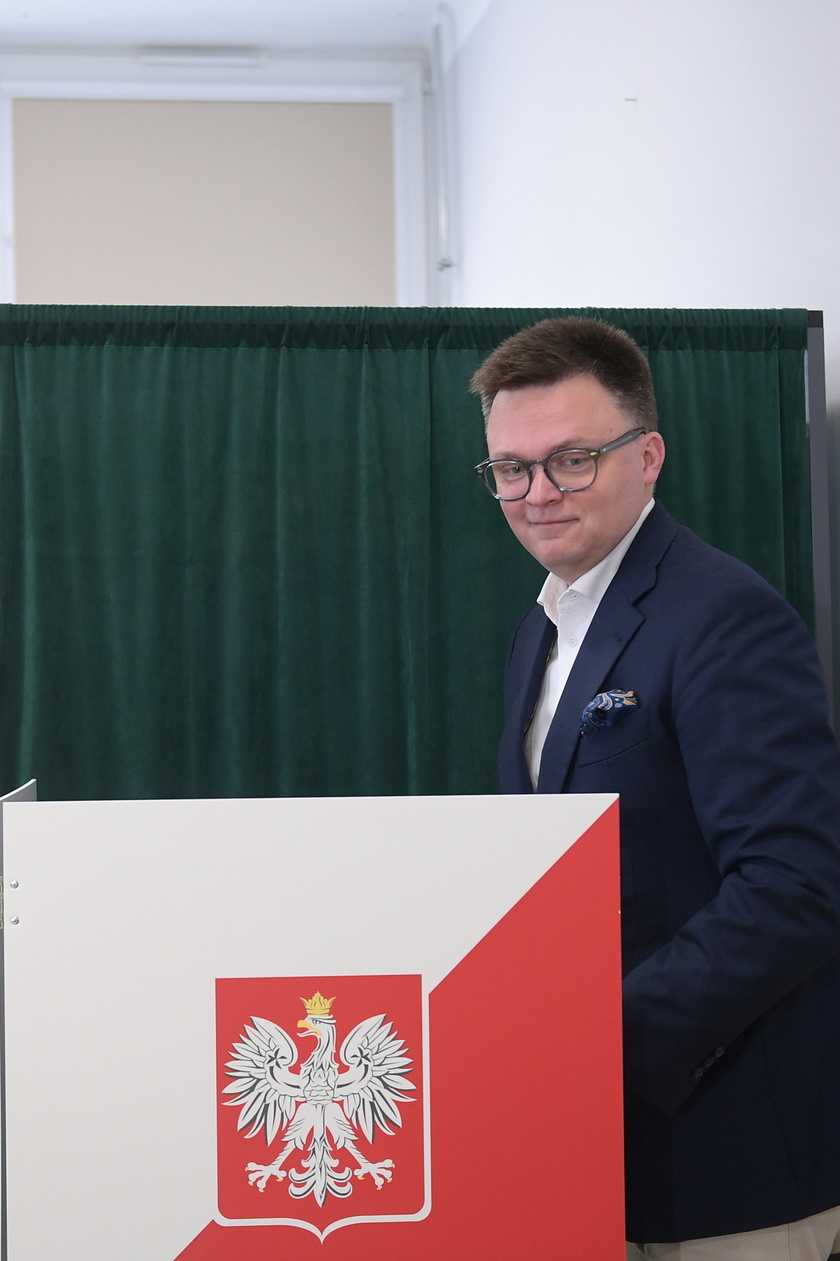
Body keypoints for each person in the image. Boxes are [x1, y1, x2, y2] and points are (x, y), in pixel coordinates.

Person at [471, 317, 840, 1261]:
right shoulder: (541, 630)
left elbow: (798, 884)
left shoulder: (723, 616)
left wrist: (594, 1043)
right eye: (511, 468)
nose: (537, 493)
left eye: (573, 459)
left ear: (650, 455)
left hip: (732, 1165)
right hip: (598, 1161)